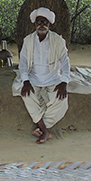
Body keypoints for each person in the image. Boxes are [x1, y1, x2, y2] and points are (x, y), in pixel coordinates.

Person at [19, 7, 70, 144]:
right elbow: (23, 63)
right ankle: (45, 131)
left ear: (50, 25)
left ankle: (40, 128)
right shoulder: (28, 41)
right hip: (33, 79)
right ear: (34, 24)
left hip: (53, 79)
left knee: (61, 102)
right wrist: (26, 81)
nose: (41, 25)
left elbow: (65, 63)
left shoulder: (58, 41)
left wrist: (64, 82)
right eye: (38, 22)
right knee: (25, 95)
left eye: (45, 22)